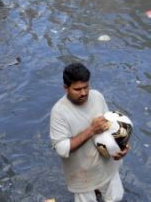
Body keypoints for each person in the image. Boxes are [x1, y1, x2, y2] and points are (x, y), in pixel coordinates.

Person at [50, 63, 129, 202]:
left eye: (86, 87)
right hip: (82, 173)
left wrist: (122, 146)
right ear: (65, 88)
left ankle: (99, 191)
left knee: (116, 198)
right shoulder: (59, 112)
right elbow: (62, 149)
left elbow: (110, 126)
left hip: (106, 164)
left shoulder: (97, 96)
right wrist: (91, 130)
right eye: (77, 89)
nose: (84, 93)